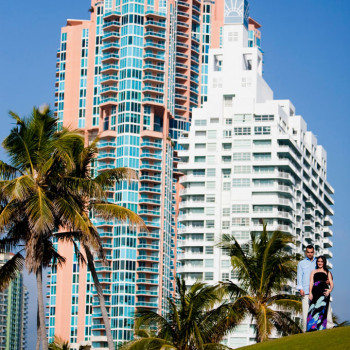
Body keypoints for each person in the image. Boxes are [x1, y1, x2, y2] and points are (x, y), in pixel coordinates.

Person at [307, 255, 334, 331]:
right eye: (318, 261)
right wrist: (310, 293)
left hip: (324, 293)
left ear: (324, 262)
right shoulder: (313, 272)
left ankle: (321, 328)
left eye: (321, 261)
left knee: (322, 310)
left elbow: (331, 283)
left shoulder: (327, 272)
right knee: (313, 309)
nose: (320, 263)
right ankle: (312, 328)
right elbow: (311, 282)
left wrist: (329, 290)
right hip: (315, 292)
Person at [297, 245, 317, 332]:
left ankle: (316, 329)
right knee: (306, 312)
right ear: (306, 252)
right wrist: (300, 289)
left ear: (314, 252)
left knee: (316, 311)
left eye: (311, 252)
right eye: (308, 252)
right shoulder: (301, 263)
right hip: (305, 291)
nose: (309, 254)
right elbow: (299, 276)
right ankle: (306, 330)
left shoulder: (318, 262)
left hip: (316, 291)